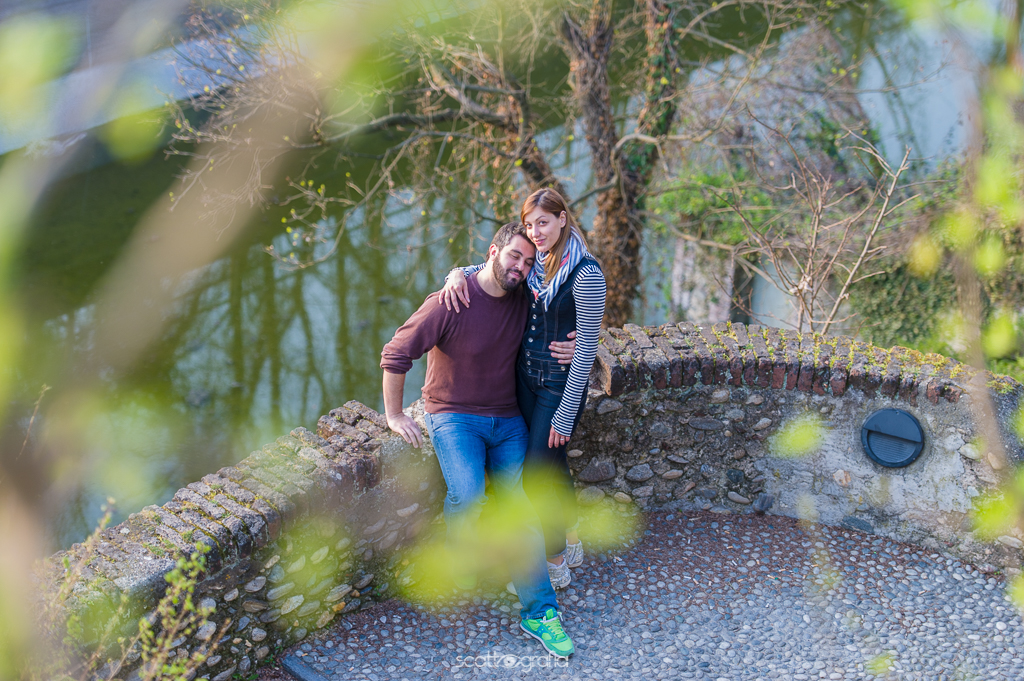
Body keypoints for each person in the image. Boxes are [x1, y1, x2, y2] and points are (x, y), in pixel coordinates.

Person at [380, 221, 575, 659]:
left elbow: (573, 298)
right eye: (514, 257)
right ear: (493, 252)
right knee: (467, 494)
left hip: (507, 420)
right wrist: (394, 415)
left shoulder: (526, 296)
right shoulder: (451, 300)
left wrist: (583, 342)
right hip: (453, 416)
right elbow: (396, 352)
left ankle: (541, 613)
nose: (520, 267)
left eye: (528, 262)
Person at [440, 188, 607, 590]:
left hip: (558, 389)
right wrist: (456, 274)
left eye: (543, 222)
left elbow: (584, 351)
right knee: (554, 464)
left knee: (534, 475)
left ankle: (554, 562)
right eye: (530, 225)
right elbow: (494, 266)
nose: (536, 232)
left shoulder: (586, 275)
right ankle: (571, 535)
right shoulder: (536, 264)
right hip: (524, 381)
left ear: (563, 218)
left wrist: (565, 415)